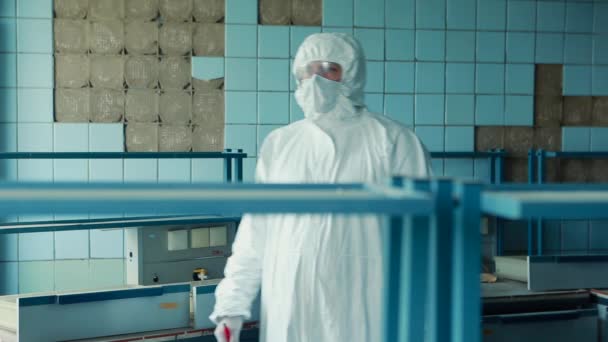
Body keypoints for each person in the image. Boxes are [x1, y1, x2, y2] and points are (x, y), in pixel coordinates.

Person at [210, 32, 432, 342]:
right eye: (307, 70)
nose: (316, 80)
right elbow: (255, 232)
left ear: (352, 74)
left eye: (329, 69)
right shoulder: (281, 143)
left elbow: (422, 235)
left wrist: (423, 318)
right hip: (292, 300)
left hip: (364, 300)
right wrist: (232, 305)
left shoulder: (392, 140)